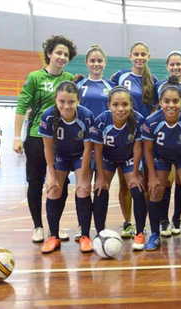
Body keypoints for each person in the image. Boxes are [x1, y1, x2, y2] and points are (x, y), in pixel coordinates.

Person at [13, 35, 77, 243]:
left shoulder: (69, 79)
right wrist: (16, 137)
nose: (62, 56)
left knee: (61, 182)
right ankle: (38, 227)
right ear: (49, 54)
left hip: (60, 140)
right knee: (35, 182)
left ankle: (55, 228)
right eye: (58, 52)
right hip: (36, 137)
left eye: (66, 54)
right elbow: (22, 106)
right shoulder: (34, 77)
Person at [143, 77, 181, 250]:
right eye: (166, 101)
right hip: (160, 157)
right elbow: (147, 150)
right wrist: (153, 176)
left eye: (175, 101)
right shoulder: (151, 122)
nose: (171, 105)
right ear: (160, 102)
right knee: (155, 191)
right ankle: (155, 234)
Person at [38, 81, 95, 253]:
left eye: (71, 102)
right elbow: (47, 148)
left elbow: (88, 148)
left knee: (83, 189)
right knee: (53, 189)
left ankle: (85, 235)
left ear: (78, 100)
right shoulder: (48, 117)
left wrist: (84, 175)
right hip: (60, 157)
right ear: (56, 100)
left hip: (80, 156)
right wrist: (52, 175)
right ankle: (53, 236)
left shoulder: (86, 116)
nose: (66, 106)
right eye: (62, 101)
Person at [111, 41, 158, 238]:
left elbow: (156, 107)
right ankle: (128, 222)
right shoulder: (120, 76)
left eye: (143, 54)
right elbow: (111, 97)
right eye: (136, 54)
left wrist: (147, 128)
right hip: (124, 135)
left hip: (145, 137)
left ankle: (142, 223)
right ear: (130, 56)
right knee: (125, 183)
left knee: (144, 182)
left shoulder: (153, 80)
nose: (139, 57)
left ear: (149, 57)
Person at [92, 86, 147, 250]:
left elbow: (138, 148)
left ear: (131, 105)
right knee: (100, 189)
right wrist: (100, 177)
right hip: (107, 158)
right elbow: (98, 150)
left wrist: (136, 173)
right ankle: (100, 233)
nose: (120, 109)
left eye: (125, 104)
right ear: (109, 105)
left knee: (137, 189)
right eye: (116, 105)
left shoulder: (138, 119)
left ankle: (139, 232)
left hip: (128, 158)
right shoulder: (102, 121)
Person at [74, 45, 115, 241]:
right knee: (83, 184)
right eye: (92, 60)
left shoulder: (110, 86)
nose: (96, 64)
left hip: (106, 141)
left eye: (100, 61)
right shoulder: (79, 85)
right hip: (84, 141)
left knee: (102, 184)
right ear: (86, 63)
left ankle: (100, 226)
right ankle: (83, 226)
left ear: (105, 63)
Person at [154, 51, 181, 237]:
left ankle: (177, 218)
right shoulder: (159, 86)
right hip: (164, 141)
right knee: (166, 181)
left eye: (179, 64)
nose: (175, 67)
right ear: (167, 66)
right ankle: (163, 219)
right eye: (172, 64)